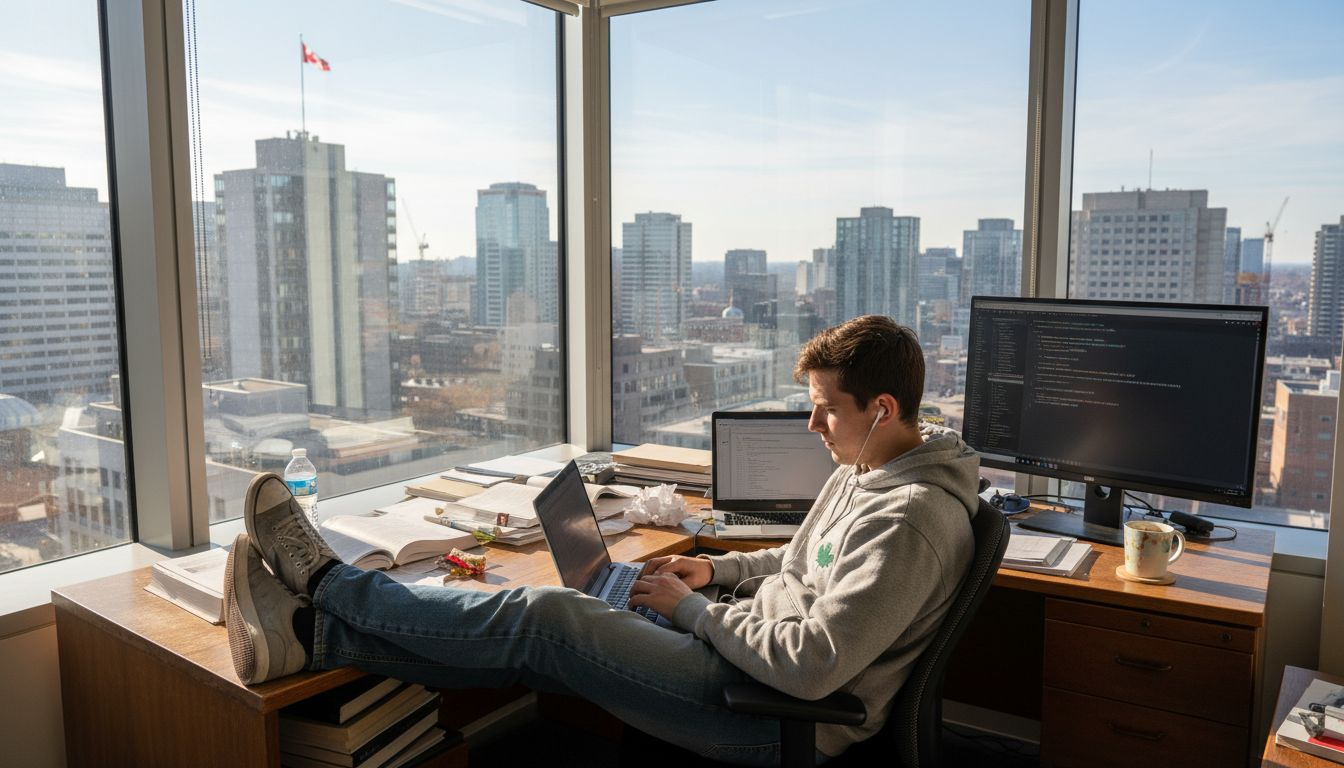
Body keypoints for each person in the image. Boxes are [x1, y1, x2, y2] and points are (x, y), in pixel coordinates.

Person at [224, 314, 979, 765]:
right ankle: (308, 635)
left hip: (773, 714)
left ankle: (327, 584)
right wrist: (711, 575)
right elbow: (798, 560)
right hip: (739, 651)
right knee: (532, 640)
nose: (811, 425)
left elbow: (811, 667)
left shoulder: (909, 517)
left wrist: (692, 613)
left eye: (824, 409)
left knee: (548, 618)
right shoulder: (868, 464)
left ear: (882, 408)